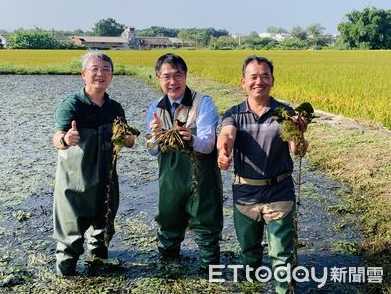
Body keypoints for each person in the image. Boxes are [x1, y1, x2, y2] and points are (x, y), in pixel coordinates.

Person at [217, 55, 309, 293]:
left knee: (281, 254)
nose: (259, 81)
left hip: (279, 191)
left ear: (272, 81)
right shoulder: (234, 113)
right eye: (253, 76)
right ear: (243, 81)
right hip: (246, 192)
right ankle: (252, 286)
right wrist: (223, 149)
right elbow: (227, 134)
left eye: (265, 76)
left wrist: (299, 134)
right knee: (249, 251)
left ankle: (282, 290)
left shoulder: (285, 113)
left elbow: (297, 150)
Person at [52, 50, 135, 276]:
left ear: (112, 75)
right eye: (95, 69)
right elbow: (57, 137)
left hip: (107, 181)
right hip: (75, 181)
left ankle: (98, 275)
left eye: (106, 70)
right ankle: (65, 278)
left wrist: (128, 138)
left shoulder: (114, 108)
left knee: (102, 230)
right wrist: (66, 139)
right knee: (70, 236)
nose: (101, 74)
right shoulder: (72, 105)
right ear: (83, 74)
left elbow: (128, 141)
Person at [146, 53, 223, 271]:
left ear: (186, 76)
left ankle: (211, 274)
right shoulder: (155, 108)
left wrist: (190, 139)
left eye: (177, 75)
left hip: (202, 179)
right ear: (158, 78)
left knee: (207, 229)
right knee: (169, 228)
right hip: (170, 181)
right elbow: (152, 151)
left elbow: (208, 144)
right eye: (166, 76)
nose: (172, 82)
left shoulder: (203, 103)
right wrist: (155, 136)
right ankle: (169, 274)